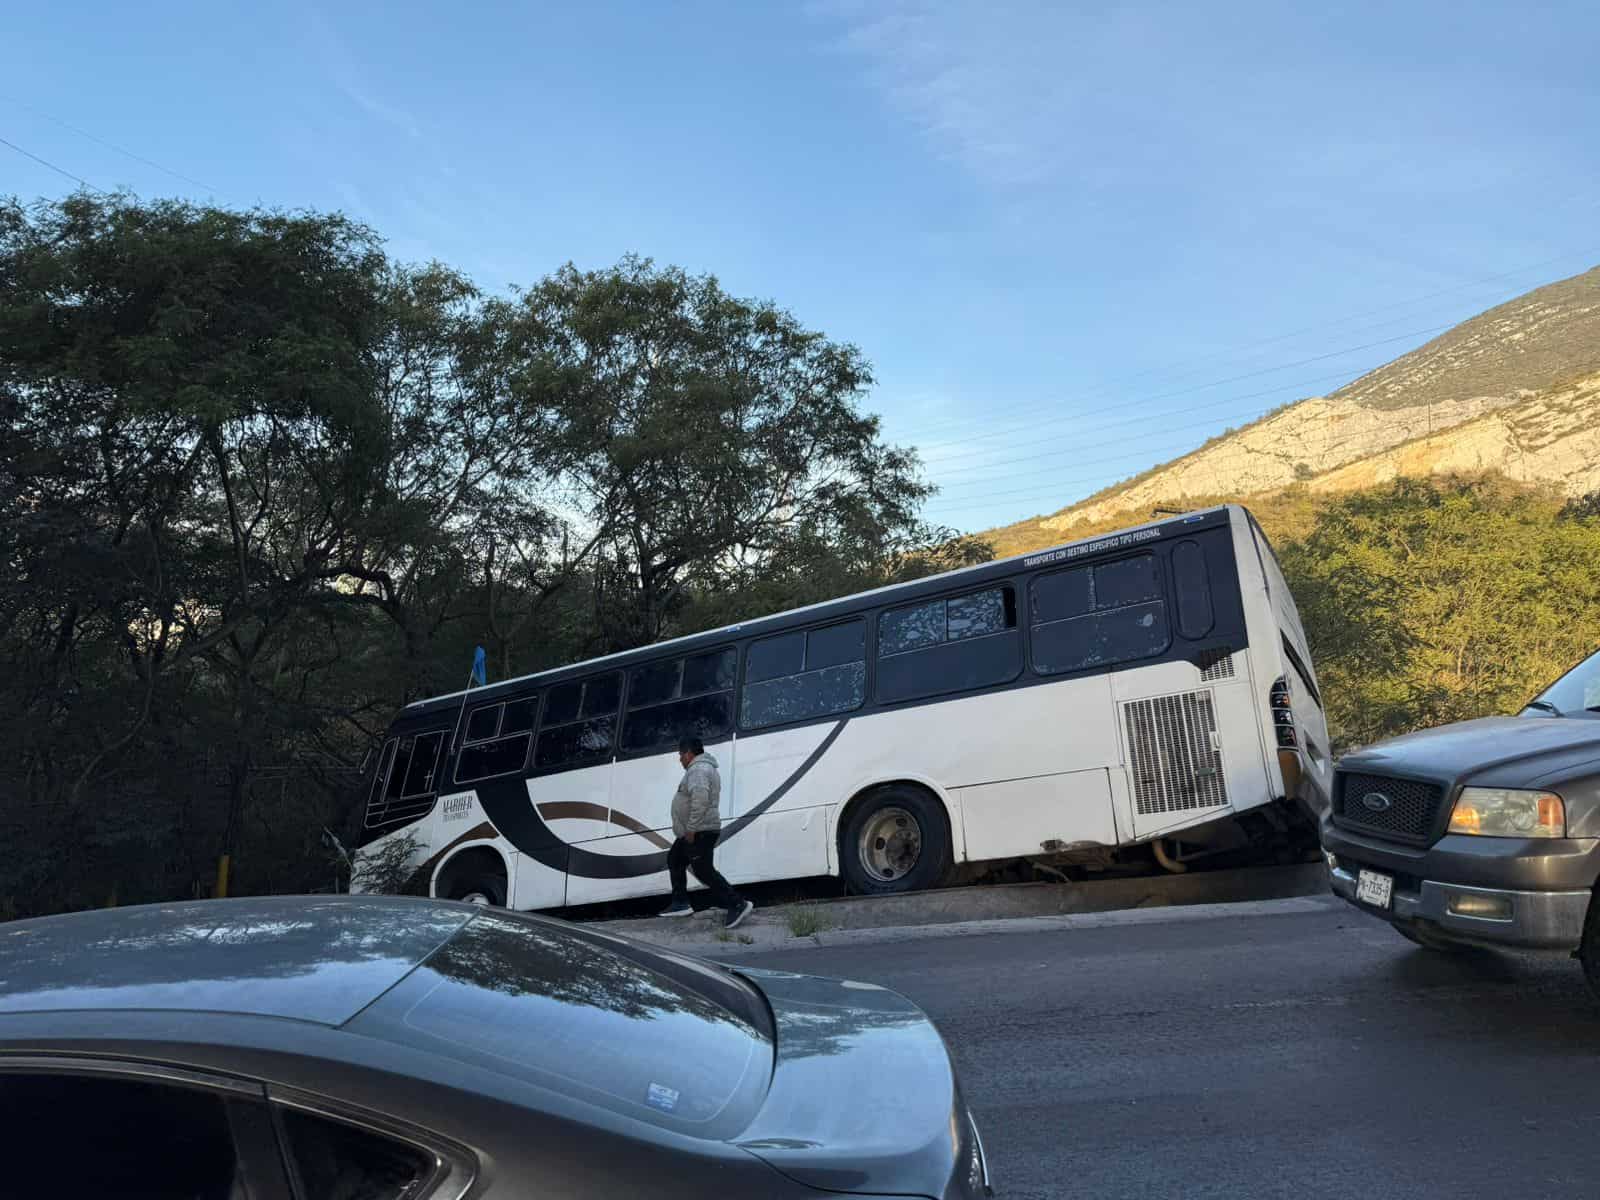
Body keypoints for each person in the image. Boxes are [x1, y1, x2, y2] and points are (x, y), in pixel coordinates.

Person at [659, 736, 754, 929]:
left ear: (688, 753)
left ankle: (737, 903)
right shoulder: (700, 769)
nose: (679, 760)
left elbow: (700, 799)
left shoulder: (699, 770)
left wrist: (692, 828)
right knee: (675, 859)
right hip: (695, 830)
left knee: (704, 870)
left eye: (680, 755)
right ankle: (680, 903)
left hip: (700, 830)